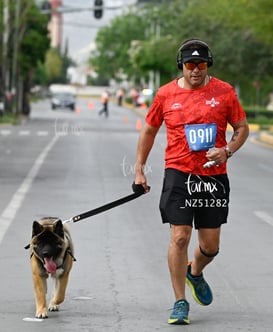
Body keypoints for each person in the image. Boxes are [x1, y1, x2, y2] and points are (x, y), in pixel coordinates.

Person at [133, 38, 249, 325]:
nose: (195, 70)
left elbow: (242, 128)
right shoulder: (165, 94)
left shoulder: (224, 92)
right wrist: (139, 170)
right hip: (179, 173)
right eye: (189, 64)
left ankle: (194, 271)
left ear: (207, 65)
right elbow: (149, 130)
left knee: (210, 246)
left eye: (200, 64)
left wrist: (227, 151)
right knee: (180, 236)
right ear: (181, 66)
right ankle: (180, 302)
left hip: (213, 177)